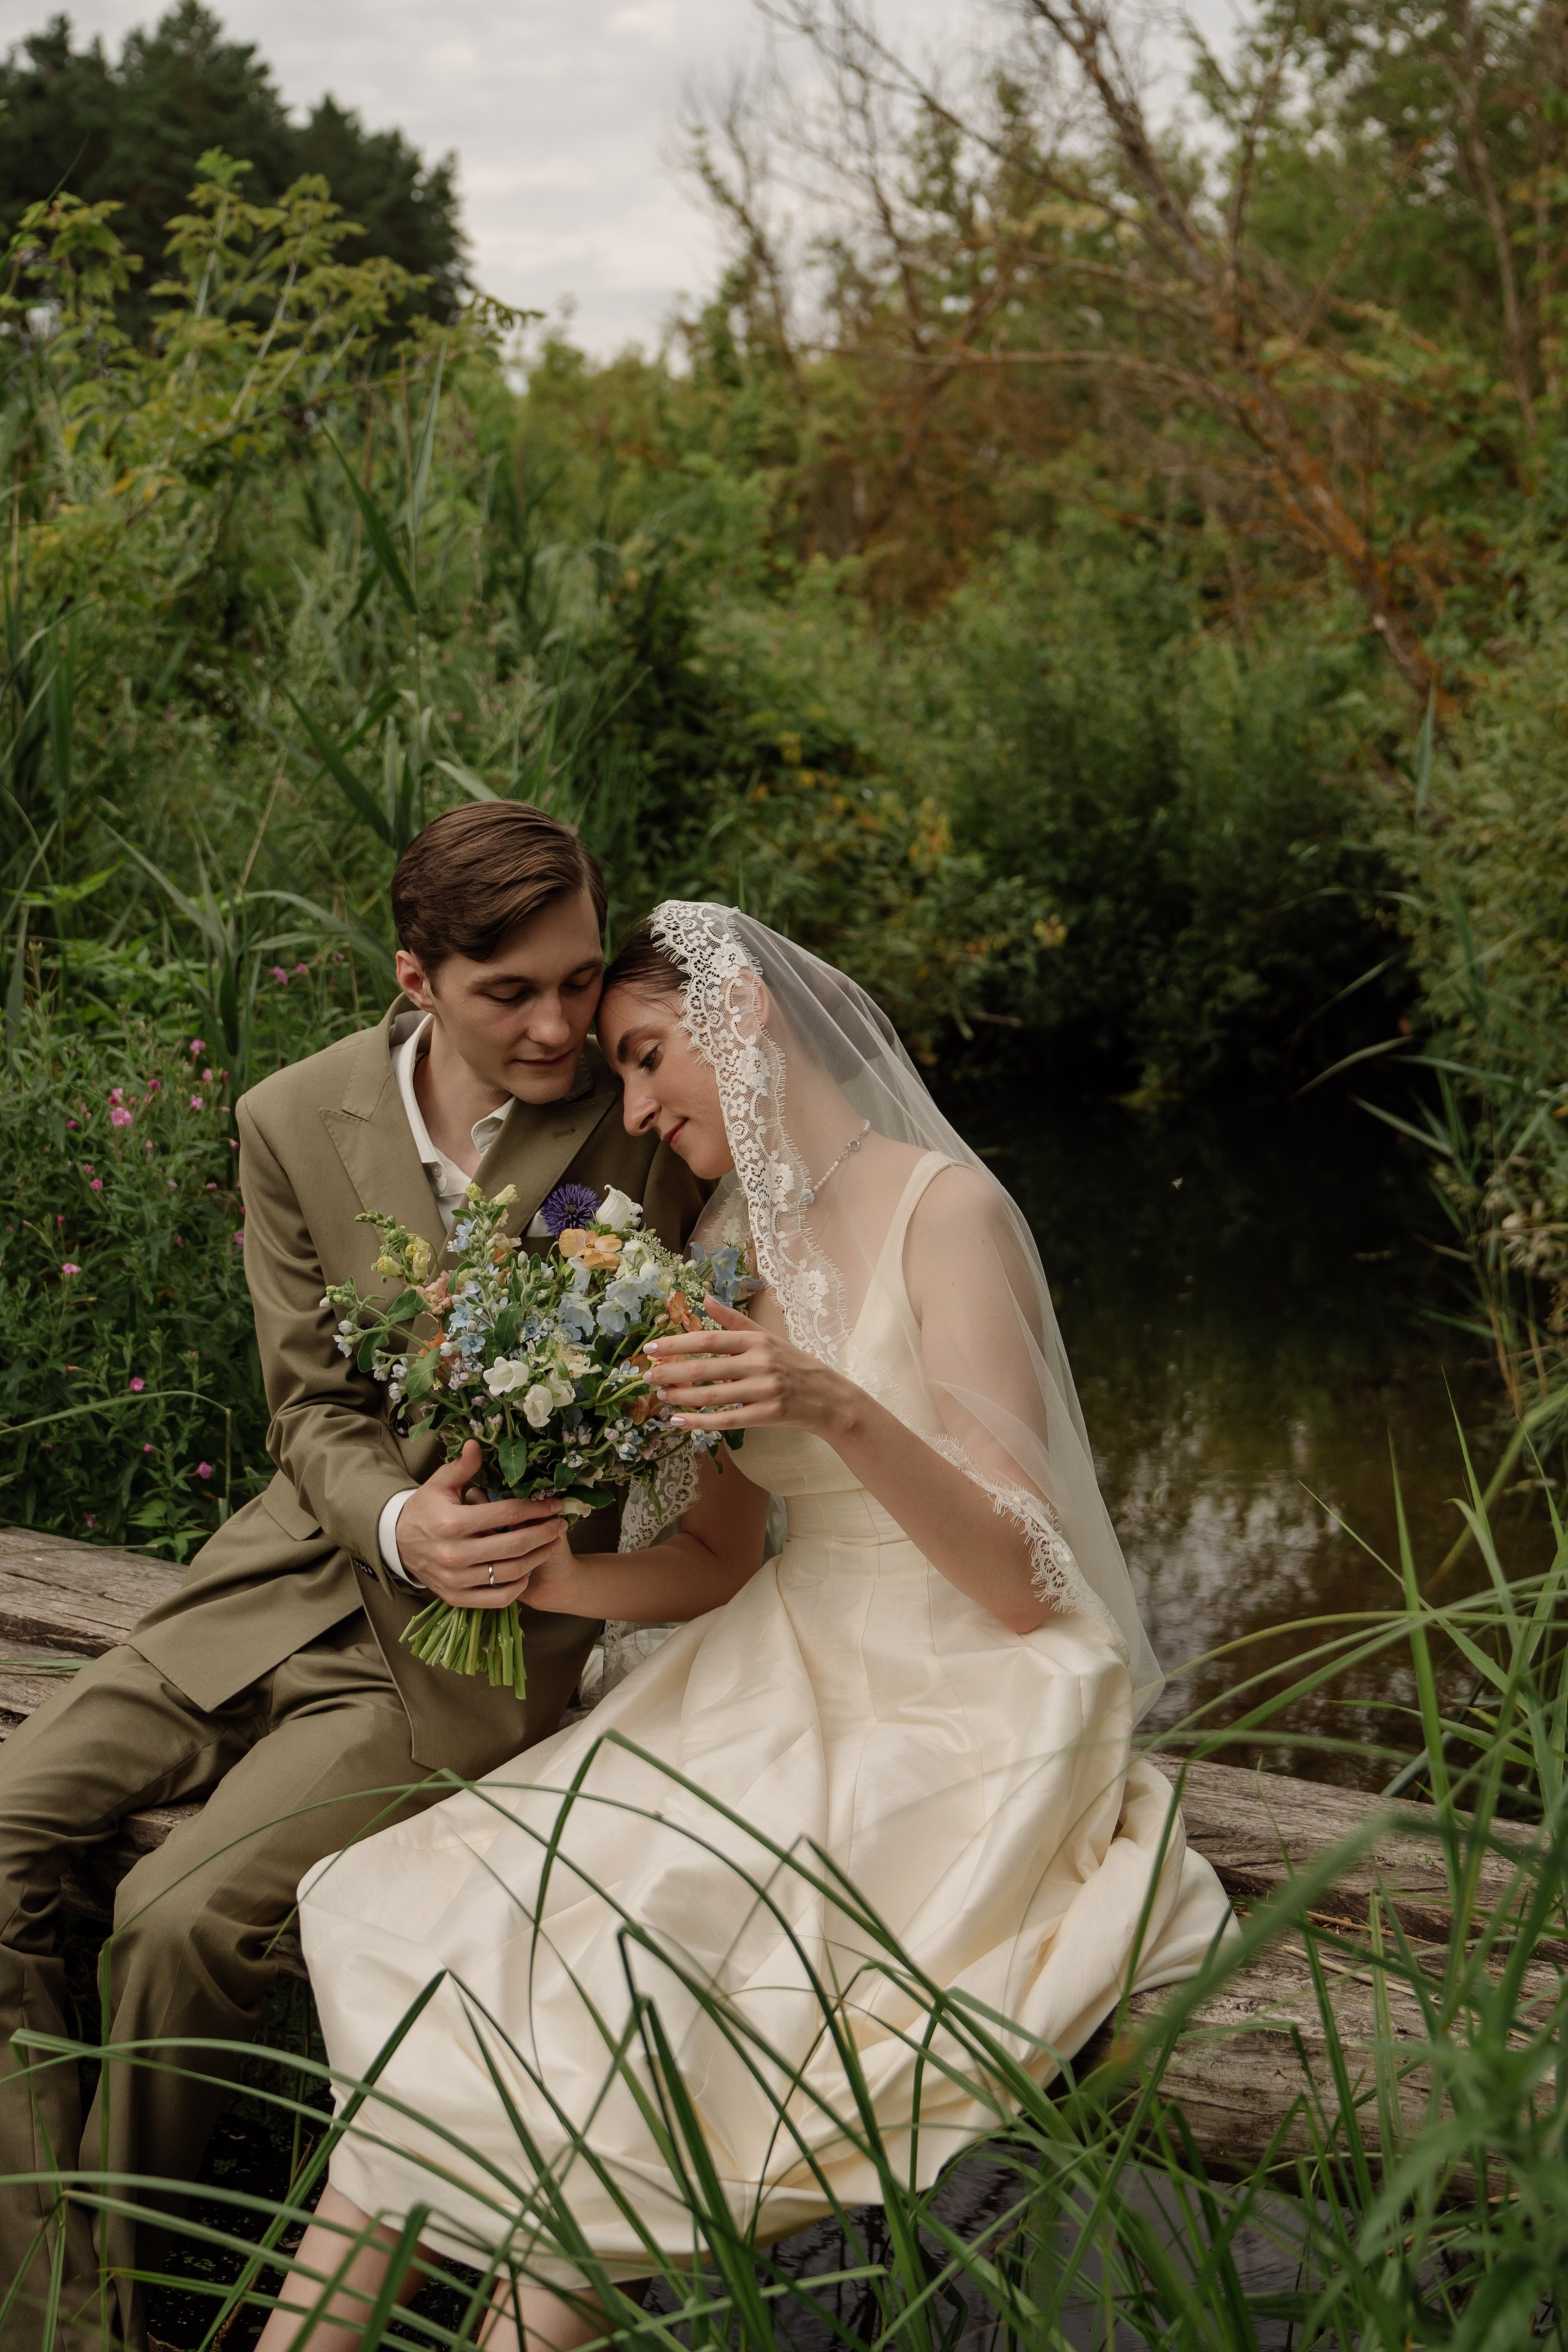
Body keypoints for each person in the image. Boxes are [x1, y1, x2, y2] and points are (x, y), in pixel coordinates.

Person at [257, 900, 1235, 2352]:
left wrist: (833, 1404)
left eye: (646, 1055)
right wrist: (548, 1578)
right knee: (479, 1911)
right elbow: (715, 1557)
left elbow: (1027, 1578)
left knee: (644, 1961)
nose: (635, 1111)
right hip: (777, 1652)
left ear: (747, 1014)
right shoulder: (719, 1243)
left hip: (956, 1688)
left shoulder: (944, 1214)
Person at [0, 807, 704, 2351]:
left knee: (174, 1921)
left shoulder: (650, 1110)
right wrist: (395, 1521)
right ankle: (58, 2309)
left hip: (467, 1644)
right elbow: (309, 1404)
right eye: (508, 992)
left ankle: (111, 2306)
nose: (558, 1025)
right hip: (274, 1586)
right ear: (414, 979)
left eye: (578, 979)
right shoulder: (289, 1114)